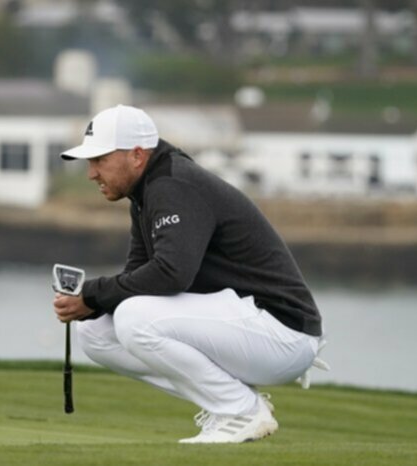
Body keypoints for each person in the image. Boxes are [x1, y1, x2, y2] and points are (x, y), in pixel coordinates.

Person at [53, 104, 325, 444]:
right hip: (249, 328)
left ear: (137, 155)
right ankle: (227, 402)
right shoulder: (146, 192)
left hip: (282, 332)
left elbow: (171, 274)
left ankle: (239, 409)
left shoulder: (172, 185)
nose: (91, 173)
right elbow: (139, 274)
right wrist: (92, 303)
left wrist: (93, 293)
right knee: (94, 331)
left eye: (99, 160)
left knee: (134, 318)